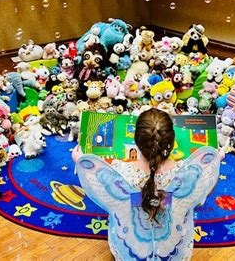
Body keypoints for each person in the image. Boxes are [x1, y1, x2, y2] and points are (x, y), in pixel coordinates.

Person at [73, 108, 222, 260]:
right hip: (174, 246)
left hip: (130, 245)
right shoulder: (186, 175)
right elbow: (205, 191)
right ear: (172, 142)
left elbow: (95, 184)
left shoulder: (120, 173)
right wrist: (215, 162)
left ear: (136, 141)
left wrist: (79, 160)